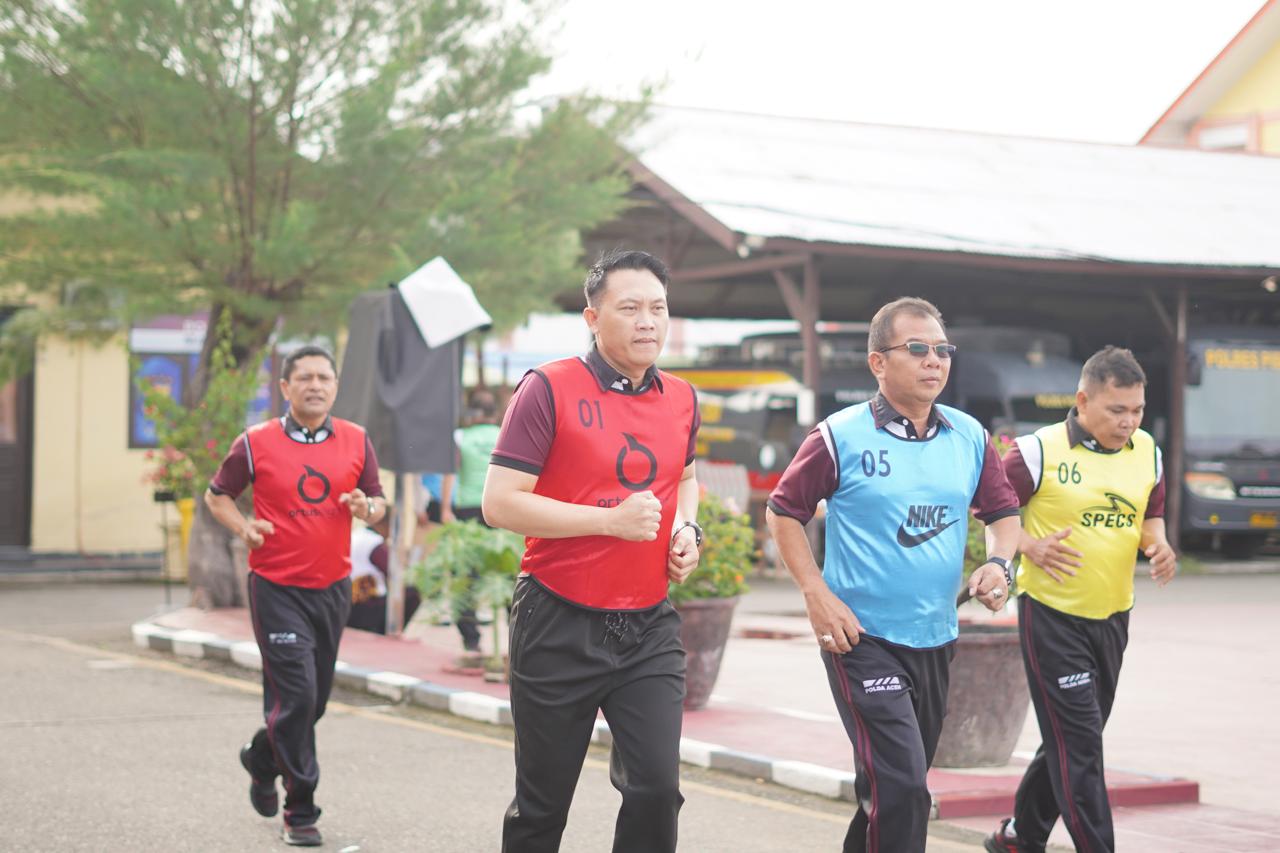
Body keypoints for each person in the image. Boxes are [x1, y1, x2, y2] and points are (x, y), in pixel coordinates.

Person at [765, 296, 1022, 853]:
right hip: (861, 638)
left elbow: (1003, 515)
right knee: (905, 788)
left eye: (942, 350)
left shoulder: (970, 437)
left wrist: (999, 564)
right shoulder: (840, 436)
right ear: (878, 363)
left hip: (935, 638)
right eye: (917, 349)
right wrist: (816, 594)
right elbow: (783, 512)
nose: (935, 361)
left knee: (890, 788)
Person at [482, 249, 702, 853]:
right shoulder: (546, 389)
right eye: (629, 308)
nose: (647, 321)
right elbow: (499, 503)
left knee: (657, 790)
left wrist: (687, 531)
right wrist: (610, 522)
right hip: (557, 618)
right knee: (542, 807)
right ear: (592, 317)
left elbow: (683, 478)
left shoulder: (682, 397)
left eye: (657, 308)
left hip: (648, 626)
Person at [984, 346, 1176, 853]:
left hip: (1113, 615)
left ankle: (1020, 837)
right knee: (1082, 745)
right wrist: (1026, 545)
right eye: (1117, 410)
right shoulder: (1036, 452)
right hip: (1051, 616)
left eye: (1136, 410)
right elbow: (988, 508)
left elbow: (1149, 517)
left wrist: (1159, 546)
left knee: (1070, 742)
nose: (1128, 422)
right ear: (1083, 401)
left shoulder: (1148, 452)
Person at [205, 345, 386, 847]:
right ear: (285, 388)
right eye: (303, 377)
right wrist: (244, 527)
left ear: (334, 386)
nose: (315, 385)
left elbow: (377, 501)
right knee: (297, 696)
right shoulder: (255, 442)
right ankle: (300, 808)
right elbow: (216, 495)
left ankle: (261, 758)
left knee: (312, 704)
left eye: (323, 377)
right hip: (276, 586)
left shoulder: (357, 439)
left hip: (331, 589)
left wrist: (364, 504)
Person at [449, 387, 503, 655]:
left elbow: (451, 472)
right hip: (503, 509)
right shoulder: (504, 435)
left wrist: (446, 512)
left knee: (467, 576)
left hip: (468, 509)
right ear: (494, 413)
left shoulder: (460, 437)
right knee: (508, 571)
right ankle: (515, 640)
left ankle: (471, 641)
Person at [348, 511, 422, 635]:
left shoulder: (357, 534)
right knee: (412, 592)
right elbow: (395, 574)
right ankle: (387, 632)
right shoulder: (374, 543)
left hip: (348, 605)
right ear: (387, 524)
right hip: (364, 606)